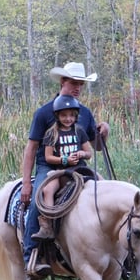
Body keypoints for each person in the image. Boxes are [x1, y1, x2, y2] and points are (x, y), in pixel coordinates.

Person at [21, 62, 110, 279]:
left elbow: (96, 147)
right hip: (49, 166)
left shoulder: (84, 113)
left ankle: (109, 248)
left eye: (81, 84)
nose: (78, 88)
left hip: (78, 166)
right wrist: (26, 182)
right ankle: (31, 257)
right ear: (63, 81)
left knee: (104, 192)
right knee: (38, 199)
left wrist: (104, 132)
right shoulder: (44, 113)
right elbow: (31, 148)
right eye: (74, 83)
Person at [31, 94, 93, 241]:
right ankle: (47, 225)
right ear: (57, 116)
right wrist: (65, 160)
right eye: (64, 115)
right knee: (48, 190)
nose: (68, 119)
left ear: (76, 116)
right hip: (60, 170)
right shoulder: (51, 133)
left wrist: (82, 153)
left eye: (71, 115)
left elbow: (89, 153)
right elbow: (48, 157)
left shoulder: (79, 131)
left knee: (101, 182)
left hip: (79, 169)